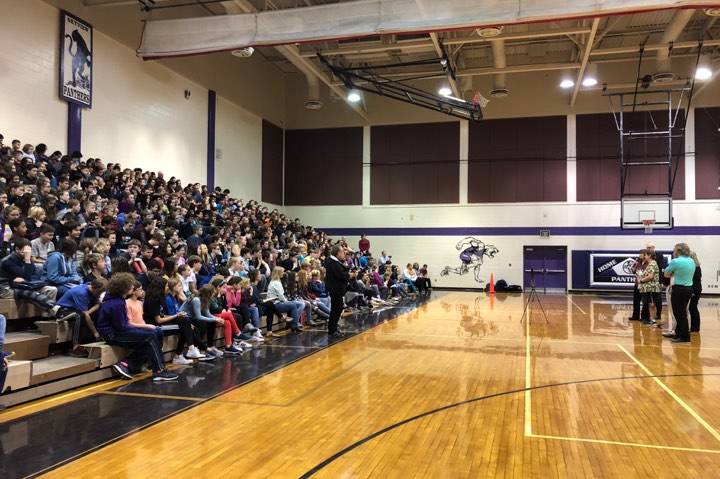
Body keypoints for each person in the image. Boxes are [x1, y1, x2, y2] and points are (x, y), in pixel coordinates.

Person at [96, 273, 178, 382]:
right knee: (149, 336)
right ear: (123, 287)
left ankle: (125, 364)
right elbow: (122, 327)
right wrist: (140, 330)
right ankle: (159, 370)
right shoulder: (116, 303)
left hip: (116, 331)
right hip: (112, 335)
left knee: (154, 333)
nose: (132, 287)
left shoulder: (116, 300)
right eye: (130, 285)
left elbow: (122, 326)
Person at [56, 278, 107, 357]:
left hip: (76, 309)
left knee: (101, 308)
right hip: (63, 310)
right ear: (94, 288)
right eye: (99, 292)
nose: (99, 295)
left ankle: (101, 336)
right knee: (79, 316)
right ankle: (75, 346)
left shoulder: (92, 290)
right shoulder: (81, 293)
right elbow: (85, 314)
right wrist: (95, 332)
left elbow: (98, 304)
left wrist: (89, 312)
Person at [663, 243, 695, 343]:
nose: (674, 251)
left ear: (678, 251)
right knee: (682, 312)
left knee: (679, 313)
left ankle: (684, 337)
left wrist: (674, 272)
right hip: (689, 288)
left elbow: (666, 274)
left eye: (675, 250)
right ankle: (679, 334)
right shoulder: (691, 260)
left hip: (679, 289)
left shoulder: (675, 261)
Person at [266, 266, 304, 334]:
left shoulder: (276, 281)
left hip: (279, 302)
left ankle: (292, 324)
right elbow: (281, 296)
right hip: (276, 304)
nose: (283, 273)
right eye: (282, 272)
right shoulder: (276, 283)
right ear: (278, 273)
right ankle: (294, 326)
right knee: (293, 306)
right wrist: (287, 301)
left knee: (297, 304)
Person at [324, 244, 349, 337]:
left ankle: (333, 328)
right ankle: (332, 329)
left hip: (337, 289)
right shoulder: (332, 262)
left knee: (337, 309)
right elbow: (341, 276)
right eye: (342, 252)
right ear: (338, 253)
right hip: (335, 289)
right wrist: (349, 275)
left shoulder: (335, 262)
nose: (344, 254)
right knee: (336, 309)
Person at [635, 250, 660, 326]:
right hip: (646, 288)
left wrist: (641, 280)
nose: (644, 256)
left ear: (649, 256)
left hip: (650, 288)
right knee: (646, 303)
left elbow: (651, 276)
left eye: (645, 255)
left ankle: (651, 319)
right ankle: (647, 319)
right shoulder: (650, 264)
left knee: (650, 304)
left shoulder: (652, 263)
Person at [689, 251, 702, 333]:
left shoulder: (694, 267)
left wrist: (692, 291)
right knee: (693, 308)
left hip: (694, 289)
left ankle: (695, 328)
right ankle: (695, 327)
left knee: (693, 308)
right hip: (697, 288)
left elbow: (693, 280)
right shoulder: (698, 267)